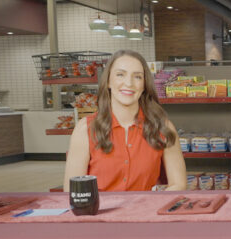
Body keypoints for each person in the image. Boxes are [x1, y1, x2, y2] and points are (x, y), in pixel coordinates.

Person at [64, 49, 187, 191]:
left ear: (145, 85)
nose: (129, 83)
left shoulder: (163, 127)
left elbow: (179, 185)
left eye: (137, 77)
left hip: (145, 212)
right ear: (108, 81)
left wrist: (151, 207)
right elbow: (72, 191)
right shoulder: (85, 130)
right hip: (98, 213)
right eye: (120, 75)